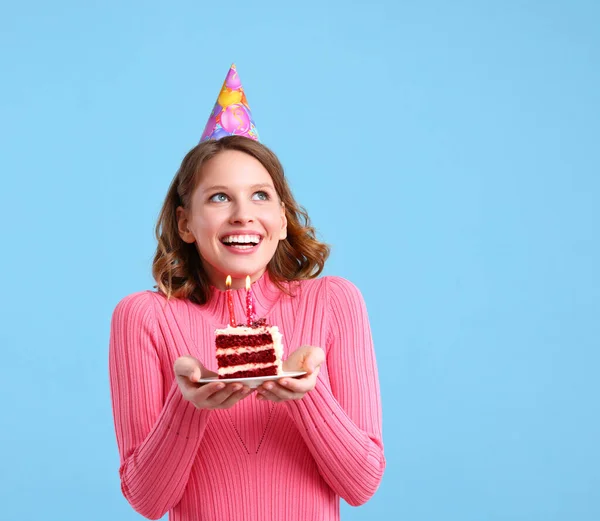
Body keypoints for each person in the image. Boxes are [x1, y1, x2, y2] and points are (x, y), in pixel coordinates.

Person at [108, 65, 385, 521]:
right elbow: (146, 502)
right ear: (185, 223)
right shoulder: (143, 317)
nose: (242, 215)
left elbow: (361, 486)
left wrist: (308, 395)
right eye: (219, 197)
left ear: (281, 217)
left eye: (260, 196)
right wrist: (188, 405)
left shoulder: (335, 302)